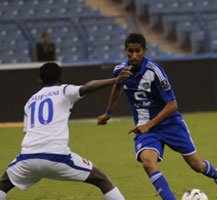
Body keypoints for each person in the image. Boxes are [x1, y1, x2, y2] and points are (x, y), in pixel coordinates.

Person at [97, 33, 217, 200]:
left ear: (144, 51)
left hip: (170, 124)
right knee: (148, 162)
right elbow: (117, 86)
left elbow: (172, 104)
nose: (133, 55)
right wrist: (108, 113)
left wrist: (149, 124)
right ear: (125, 51)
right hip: (145, 127)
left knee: (196, 165)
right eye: (130, 51)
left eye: (137, 51)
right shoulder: (120, 70)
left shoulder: (155, 71)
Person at [0, 62, 132, 200]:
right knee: (101, 180)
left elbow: (28, 131)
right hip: (56, 156)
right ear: (60, 77)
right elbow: (88, 87)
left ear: (40, 79)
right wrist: (115, 80)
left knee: (3, 184)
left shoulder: (30, 102)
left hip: (27, 157)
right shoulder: (63, 90)